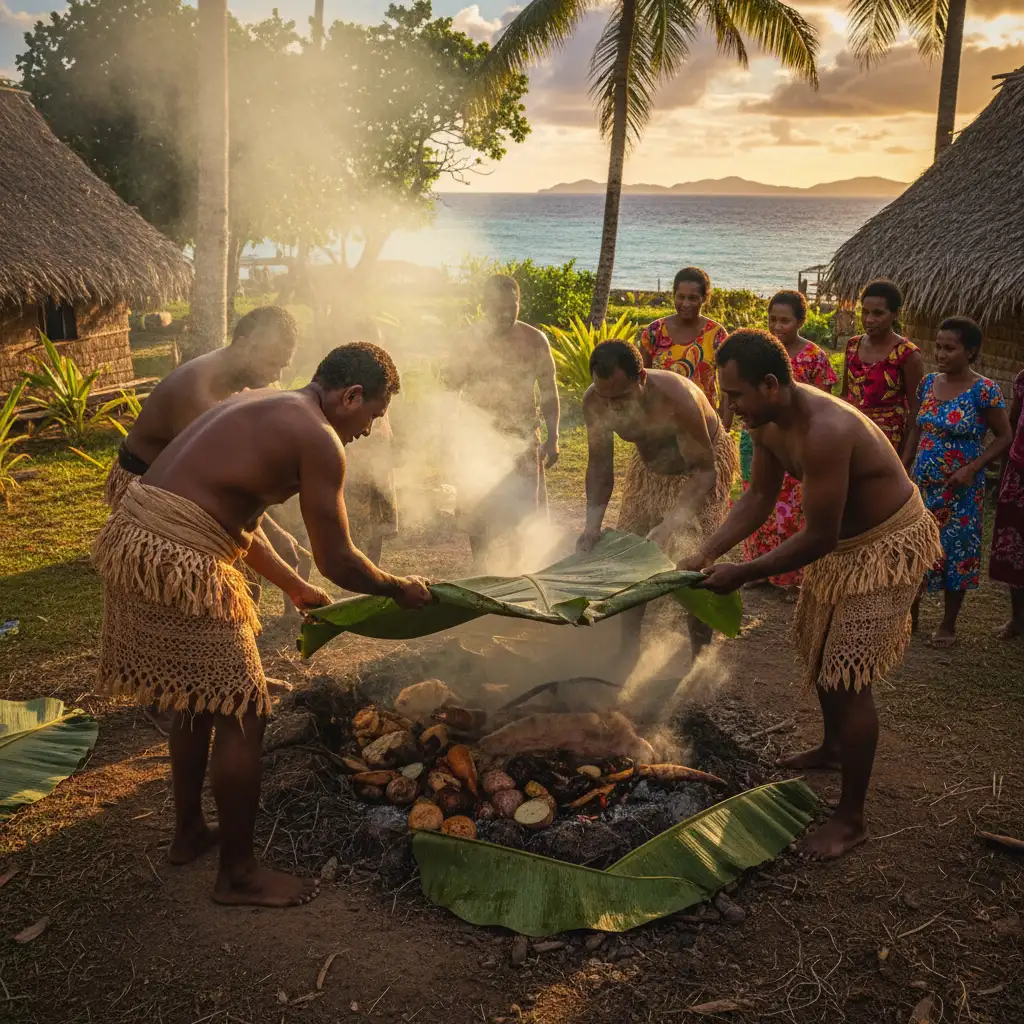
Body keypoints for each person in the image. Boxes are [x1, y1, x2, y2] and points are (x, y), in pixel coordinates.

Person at [91, 343, 433, 908]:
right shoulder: (319, 438)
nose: (369, 431)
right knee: (243, 711)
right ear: (351, 396)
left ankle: (188, 833)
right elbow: (338, 559)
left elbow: (232, 519)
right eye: (373, 415)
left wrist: (293, 586)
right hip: (177, 555)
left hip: (139, 534)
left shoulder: (264, 402)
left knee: (195, 695)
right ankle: (239, 875)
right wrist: (398, 587)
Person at [682, 329, 941, 859]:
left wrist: (743, 571)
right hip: (842, 545)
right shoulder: (766, 422)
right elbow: (758, 497)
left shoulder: (826, 430)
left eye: (735, 395)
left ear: (770, 384)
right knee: (822, 652)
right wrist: (706, 551)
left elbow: (818, 537)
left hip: (887, 544)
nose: (730, 406)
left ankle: (851, 819)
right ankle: (832, 748)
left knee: (847, 675)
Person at [577, 340, 737, 661]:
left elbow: (704, 473)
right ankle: (628, 649)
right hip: (648, 468)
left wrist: (668, 525)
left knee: (695, 566)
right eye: (606, 398)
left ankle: (699, 657)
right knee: (630, 557)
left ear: (641, 378)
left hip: (700, 467)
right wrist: (592, 525)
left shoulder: (678, 400)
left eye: (621, 397)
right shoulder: (595, 401)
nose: (612, 407)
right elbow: (599, 466)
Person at [903, 318, 1011, 646]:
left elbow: (1004, 436)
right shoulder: (928, 383)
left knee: (957, 549)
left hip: (960, 490)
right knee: (914, 548)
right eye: (938, 346)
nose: (941, 354)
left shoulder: (984, 390)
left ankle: (948, 625)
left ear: (971, 351)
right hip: (922, 485)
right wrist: (903, 466)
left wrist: (973, 468)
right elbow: (917, 427)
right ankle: (910, 616)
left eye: (950, 348)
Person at [448, 274, 560, 571]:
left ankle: (517, 567)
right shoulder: (467, 341)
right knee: (477, 508)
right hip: (478, 438)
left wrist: (553, 437)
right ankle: (481, 567)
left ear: (519, 302)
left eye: (512, 306)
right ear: (485, 304)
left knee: (521, 510)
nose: (506, 314)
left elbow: (548, 391)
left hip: (523, 438)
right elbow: (450, 389)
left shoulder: (535, 341)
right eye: (498, 307)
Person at [740, 291, 838, 597]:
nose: (777, 326)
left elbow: (823, 404)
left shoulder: (814, 357)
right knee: (757, 495)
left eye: (785, 320)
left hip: (796, 438)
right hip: (757, 435)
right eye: (772, 319)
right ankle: (756, 567)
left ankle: (792, 574)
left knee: (794, 505)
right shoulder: (759, 353)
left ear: (800, 321)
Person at [841, 279, 924, 458]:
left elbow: (916, 410)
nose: (869, 319)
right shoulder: (853, 345)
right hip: (852, 435)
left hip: (887, 442)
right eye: (865, 312)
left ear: (896, 314)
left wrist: (905, 458)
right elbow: (845, 396)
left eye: (878, 313)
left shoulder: (907, 354)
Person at [637, 266, 727, 407]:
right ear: (674, 295)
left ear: (704, 298)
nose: (686, 304)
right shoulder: (654, 332)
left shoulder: (716, 335)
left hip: (704, 418)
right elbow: (641, 382)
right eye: (681, 297)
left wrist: (723, 420)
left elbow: (727, 388)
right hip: (660, 416)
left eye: (692, 298)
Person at [990, 367, 1024, 639]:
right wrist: (1004, 478)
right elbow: (1012, 424)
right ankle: (1017, 620)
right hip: (1018, 475)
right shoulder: (1023, 380)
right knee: (1014, 551)